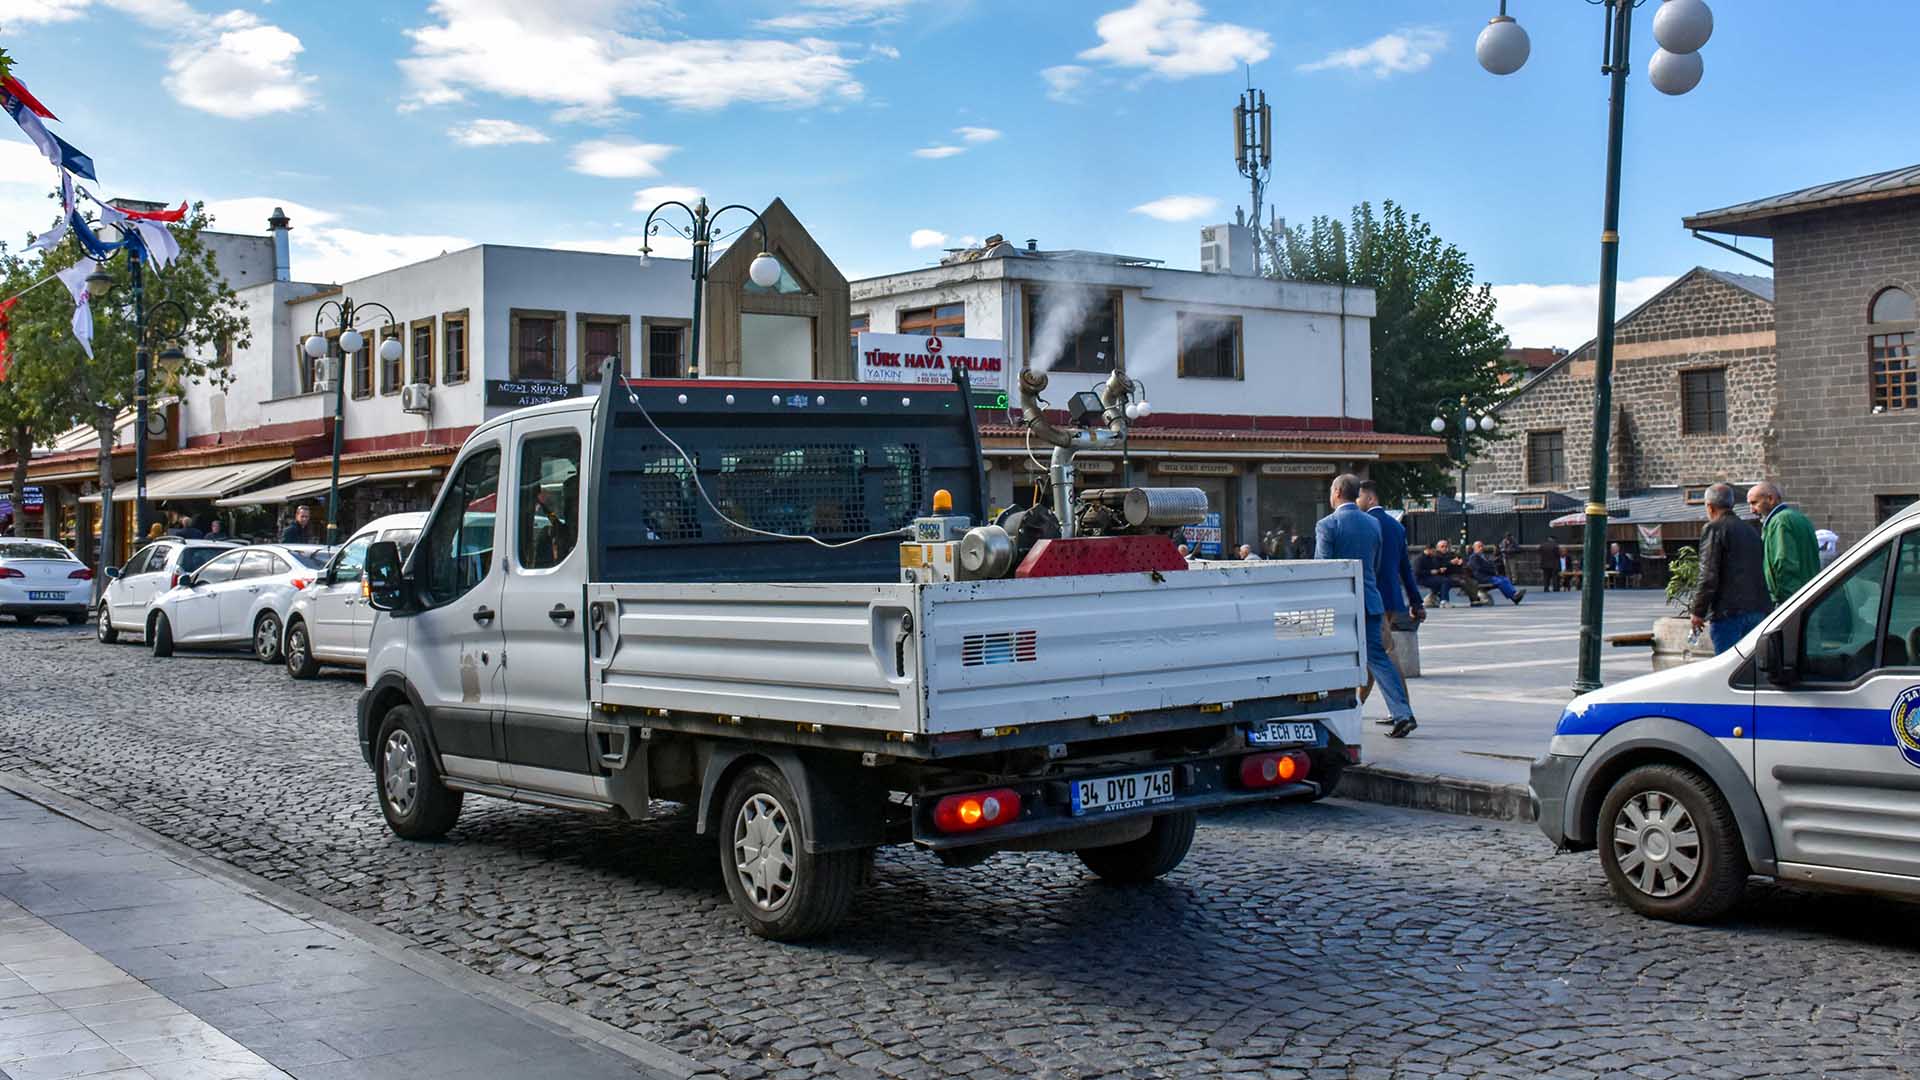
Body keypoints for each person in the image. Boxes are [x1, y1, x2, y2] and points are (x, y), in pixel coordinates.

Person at [1316, 474, 1416, 739]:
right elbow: (1376, 566)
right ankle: (1403, 713)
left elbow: (1322, 570)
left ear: (1337, 492)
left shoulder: (1327, 525)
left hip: (1340, 605)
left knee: (1333, 660)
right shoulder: (1373, 524)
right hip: (1371, 601)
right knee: (1379, 659)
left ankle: (1335, 713)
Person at [1692, 483, 1773, 654]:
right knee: (1750, 667)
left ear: (1710, 506)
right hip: (1757, 608)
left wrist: (1698, 611)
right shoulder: (1750, 530)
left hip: (1728, 612)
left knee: (1728, 670)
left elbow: (1708, 574)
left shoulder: (1714, 528)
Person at [1747, 481, 1821, 606]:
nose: (1751, 510)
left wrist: (1788, 604)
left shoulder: (1780, 521)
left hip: (1792, 599)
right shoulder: (1798, 517)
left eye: (1754, 503)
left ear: (1770, 499)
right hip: (1808, 594)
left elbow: (1783, 563)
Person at [1468, 540, 1526, 604]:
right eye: (1479, 547)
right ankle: (1513, 596)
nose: (1481, 548)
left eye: (1482, 546)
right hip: (1482, 577)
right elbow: (1478, 568)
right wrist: (1490, 570)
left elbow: (1490, 564)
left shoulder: (1482, 556)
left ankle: (1514, 595)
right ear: (1474, 548)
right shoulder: (1473, 557)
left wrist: (1491, 568)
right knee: (1499, 581)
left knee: (1504, 579)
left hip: (1488, 575)